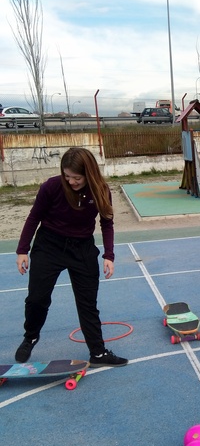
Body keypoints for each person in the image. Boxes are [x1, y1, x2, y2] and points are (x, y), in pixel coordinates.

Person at [15, 147, 128, 367]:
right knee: (37, 298)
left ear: (89, 173)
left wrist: (109, 255)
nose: (71, 181)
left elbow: (107, 223)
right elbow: (33, 217)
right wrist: (22, 250)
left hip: (82, 249)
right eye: (67, 176)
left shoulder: (101, 190)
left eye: (76, 177)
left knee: (88, 304)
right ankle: (30, 337)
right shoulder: (52, 186)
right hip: (49, 245)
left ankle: (98, 352)